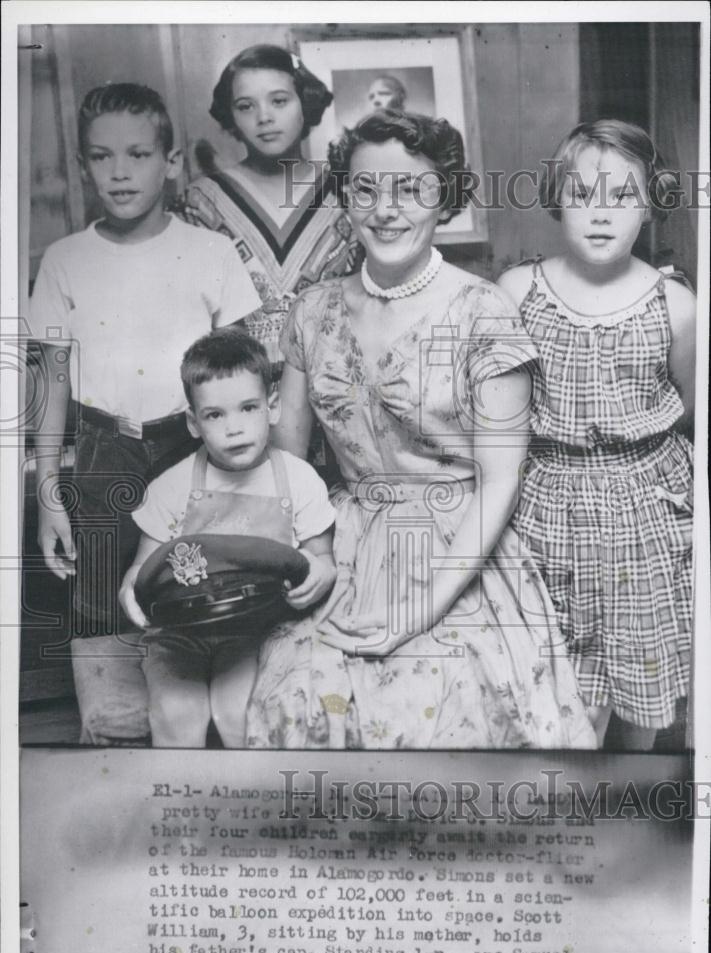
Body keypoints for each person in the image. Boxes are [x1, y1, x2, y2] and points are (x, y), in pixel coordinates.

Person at [246, 109, 597, 750]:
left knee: (440, 708)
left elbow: (499, 482)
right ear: (344, 200)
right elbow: (287, 467)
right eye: (366, 189)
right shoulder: (312, 309)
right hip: (341, 544)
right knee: (296, 692)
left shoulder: (483, 311)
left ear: (447, 199)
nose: (387, 209)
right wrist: (312, 559)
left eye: (412, 189)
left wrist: (421, 607)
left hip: (459, 549)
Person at [29, 83, 261, 740]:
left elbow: (243, 374)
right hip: (105, 454)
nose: (120, 171)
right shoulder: (65, 260)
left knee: (193, 586)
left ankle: (201, 747)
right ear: (82, 167)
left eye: (138, 153)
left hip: (193, 453)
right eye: (102, 157)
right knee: (100, 595)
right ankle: (112, 740)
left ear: (172, 159)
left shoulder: (209, 254)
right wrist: (50, 492)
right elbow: (52, 382)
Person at [498, 120, 696, 750]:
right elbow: (495, 419)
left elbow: (691, 410)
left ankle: (630, 805)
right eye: (583, 195)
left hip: (647, 513)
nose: (602, 214)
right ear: (558, 198)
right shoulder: (518, 291)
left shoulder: (676, 304)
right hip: (545, 508)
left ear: (651, 203)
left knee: (645, 682)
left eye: (622, 196)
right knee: (557, 686)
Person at [118, 329, 337, 747]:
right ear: (194, 423)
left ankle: (241, 802)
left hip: (254, 630)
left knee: (238, 713)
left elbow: (322, 557)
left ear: (272, 407)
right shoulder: (172, 486)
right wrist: (130, 592)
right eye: (215, 415)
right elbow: (139, 572)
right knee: (180, 714)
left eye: (248, 408)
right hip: (177, 635)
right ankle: (182, 804)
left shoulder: (299, 479)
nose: (233, 428)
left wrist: (321, 575)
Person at [176, 44, 363, 370]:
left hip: (336, 384)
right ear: (230, 116)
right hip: (238, 389)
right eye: (246, 106)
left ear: (305, 103)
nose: (264, 117)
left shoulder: (347, 189)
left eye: (279, 101)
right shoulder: (202, 201)